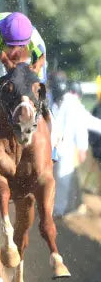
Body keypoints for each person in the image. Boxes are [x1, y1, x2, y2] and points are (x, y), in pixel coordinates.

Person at [50, 73, 101, 216]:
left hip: (64, 147)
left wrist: (82, 147)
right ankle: (61, 206)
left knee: (63, 177)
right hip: (54, 146)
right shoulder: (56, 98)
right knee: (59, 177)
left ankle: (59, 209)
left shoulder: (71, 102)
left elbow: (82, 125)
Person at [0, 11, 47, 96]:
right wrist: (1, 79)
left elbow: (41, 80)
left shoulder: (37, 45)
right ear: (3, 38)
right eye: (10, 46)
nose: (13, 52)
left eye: (19, 47)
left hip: (15, 28)